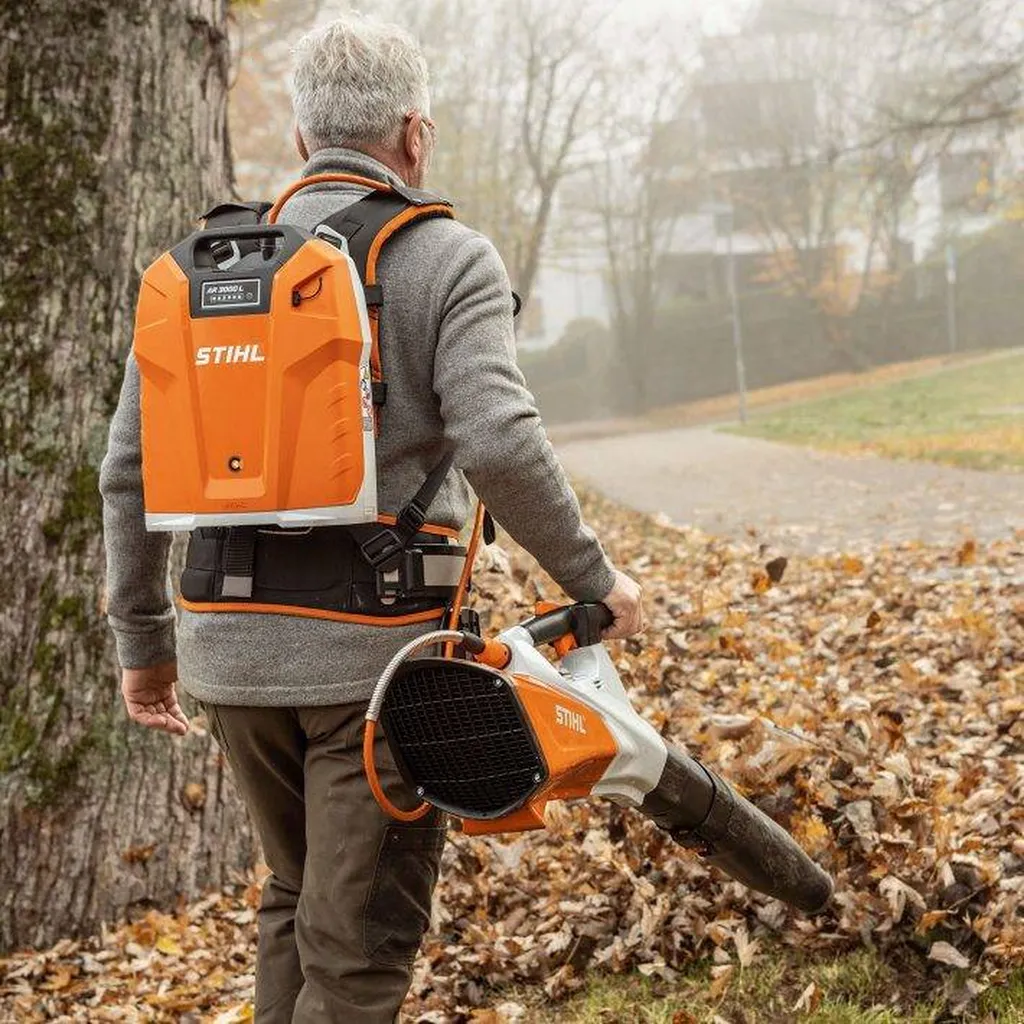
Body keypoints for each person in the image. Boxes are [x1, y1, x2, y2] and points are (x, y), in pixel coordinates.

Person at [100, 13, 644, 1024]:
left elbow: (127, 470)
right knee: (358, 948)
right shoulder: (446, 257)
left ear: (304, 142)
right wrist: (592, 578)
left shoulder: (198, 275)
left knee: (293, 897)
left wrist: (144, 642)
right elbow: (499, 438)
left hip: (226, 657)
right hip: (375, 664)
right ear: (413, 133)